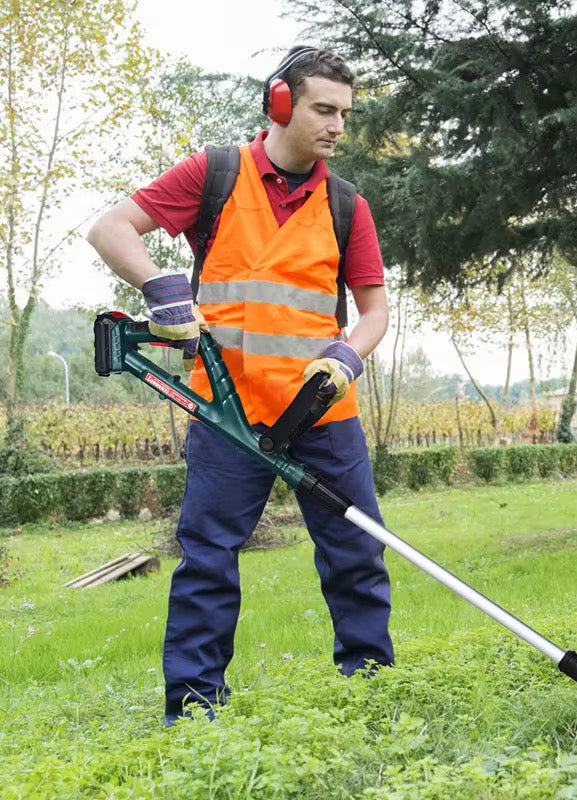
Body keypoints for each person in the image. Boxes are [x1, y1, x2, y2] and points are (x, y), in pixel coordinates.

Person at [87, 46, 394, 725]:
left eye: (345, 113)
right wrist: (162, 286)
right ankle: (195, 711)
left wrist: (347, 356)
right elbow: (111, 229)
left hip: (322, 412)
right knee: (207, 562)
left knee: (358, 554)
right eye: (323, 109)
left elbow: (374, 314)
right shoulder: (216, 174)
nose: (337, 126)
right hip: (227, 413)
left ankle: (373, 688)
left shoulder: (347, 205)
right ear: (280, 103)